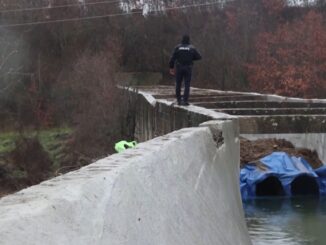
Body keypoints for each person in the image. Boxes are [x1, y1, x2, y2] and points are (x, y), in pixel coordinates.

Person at [169, 34, 202, 106]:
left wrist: (171, 67)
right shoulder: (192, 48)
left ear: (182, 40)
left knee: (178, 84)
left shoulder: (177, 47)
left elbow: (172, 58)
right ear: (189, 40)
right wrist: (191, 58)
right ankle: (185, 101)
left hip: (179, 67)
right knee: (187, 85)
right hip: (188, 68)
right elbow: (199, 57)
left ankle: (179, 100)